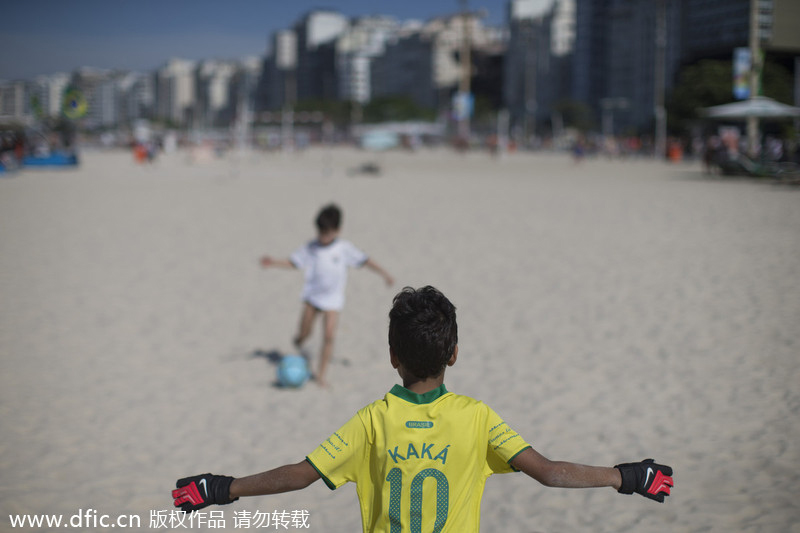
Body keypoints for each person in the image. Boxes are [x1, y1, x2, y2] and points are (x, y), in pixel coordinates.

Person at [173, 286, 674, 531]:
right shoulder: (477, 418)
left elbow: (301, 475)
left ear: (392, 356)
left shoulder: (372, 421)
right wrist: (627, 477)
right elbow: (549, 473)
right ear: (453, 354)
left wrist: (221, 489)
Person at [260, 203, 394, 386]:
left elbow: (366, 260)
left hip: (333, 300)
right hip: (312, 298)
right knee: (304, 333)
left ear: (337, 230)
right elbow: (293, 262)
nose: (323, 237)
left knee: (329, 336)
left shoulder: (344, 248)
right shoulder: (311, 247)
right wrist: (273, 262)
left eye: (327, 233)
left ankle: (321, 376)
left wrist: (384, 274)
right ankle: (299, 341)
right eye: (320, 232)